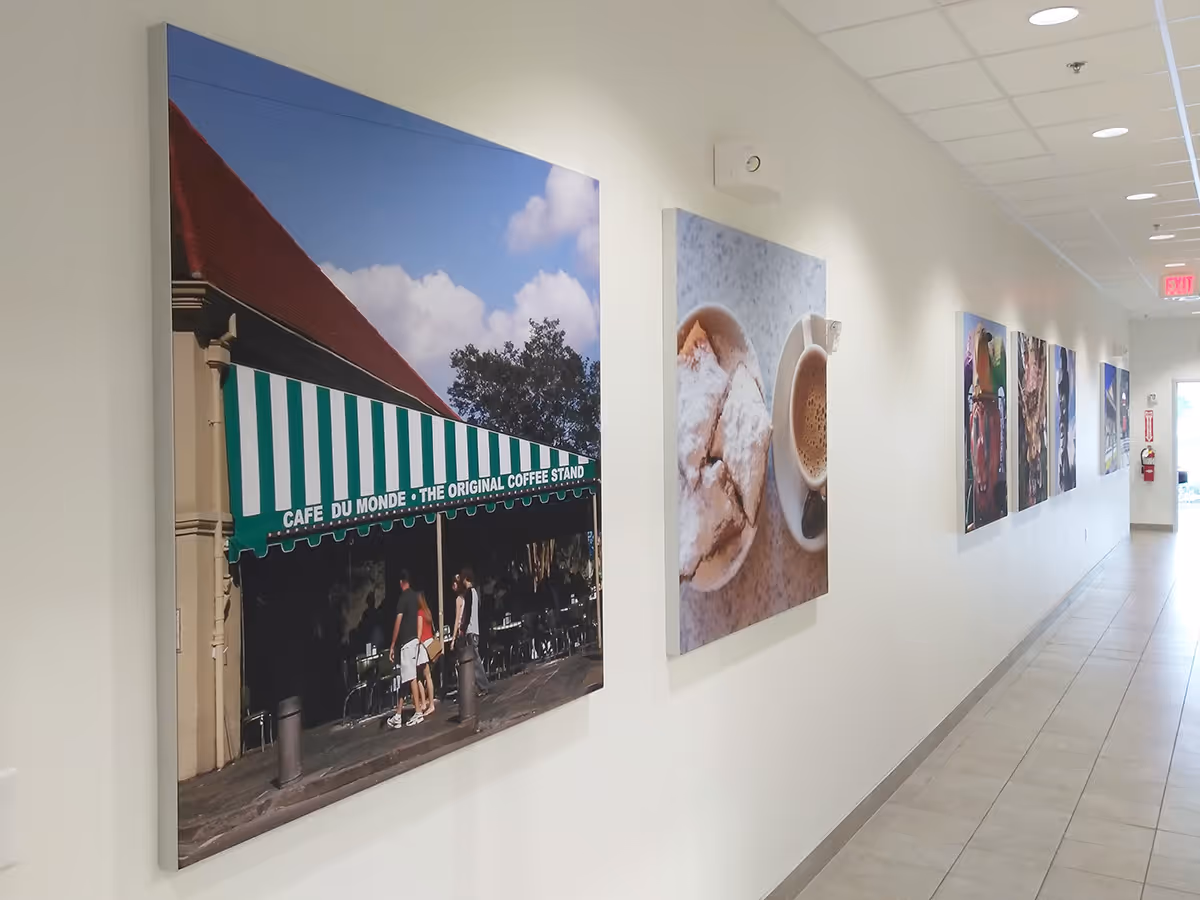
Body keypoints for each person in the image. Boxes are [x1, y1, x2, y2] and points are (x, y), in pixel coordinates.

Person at [387, 571, 424, 728]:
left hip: (406, 642)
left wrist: (392, 644)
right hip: (413, 639)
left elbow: (398, 621)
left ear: (401, 582)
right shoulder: (415, 597)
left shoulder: (403, 599)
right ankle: (398, 714)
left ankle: (417, 712)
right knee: (405, 678)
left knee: (411, 677)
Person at [452, 567, 490, 695]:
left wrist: (462, 627)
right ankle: (481, 686)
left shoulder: (468, 593)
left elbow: (467, 613)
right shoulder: (475, 592)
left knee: (474, 660)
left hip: (470, 629)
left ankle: (483, 685)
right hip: (476, 629)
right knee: (475, 658)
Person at [413, 592, 437, 718]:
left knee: (419, 677)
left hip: (422, 646)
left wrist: (415, 645)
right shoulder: (427, 611)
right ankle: (428, 703)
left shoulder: (420, 613)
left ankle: (427, 703)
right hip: (430, 644)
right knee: (428, 676)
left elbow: (419, 632)